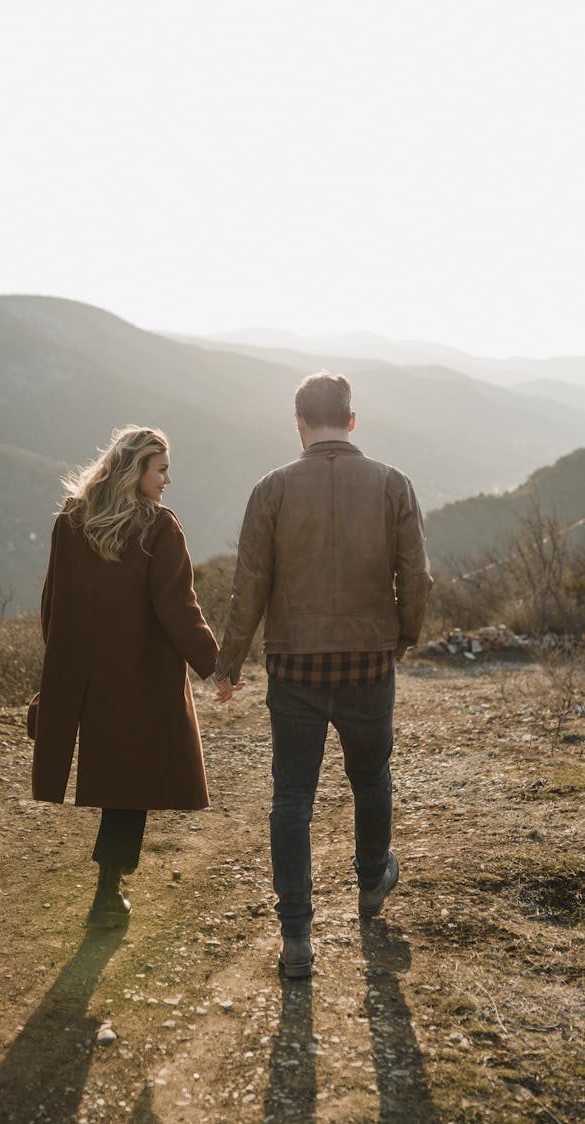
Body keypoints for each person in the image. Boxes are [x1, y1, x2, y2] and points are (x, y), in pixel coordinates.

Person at [213, 373, 432, 978]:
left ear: (300, 425)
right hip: (368, 662)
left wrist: (228, 665)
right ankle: (370, 883)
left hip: (293, 667)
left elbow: (248, 587)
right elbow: (415, 577)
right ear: (352, 420)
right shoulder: (393, 484)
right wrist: (403, 636)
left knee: (292, 796)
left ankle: (297, 937)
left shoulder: (272, 489)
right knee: (370, 775)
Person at [32, 425, 219, 927]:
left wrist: (63, 667)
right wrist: (215, 665)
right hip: (140, 679)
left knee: (119, 785)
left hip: (87, 675)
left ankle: (108, 895)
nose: (167, 480)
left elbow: (53, 604)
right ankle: (106, 895)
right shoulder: (159, 527)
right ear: (135, 470)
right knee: (128, 789)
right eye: (160, 470)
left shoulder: (70, 521)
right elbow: (179, 607)